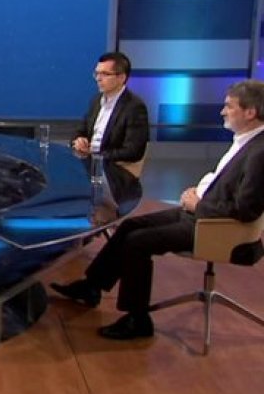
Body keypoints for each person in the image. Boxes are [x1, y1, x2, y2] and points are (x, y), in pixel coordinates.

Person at [51, 80, 264, 340]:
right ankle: (91, 287)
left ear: (250, 112)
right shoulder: (245, 142)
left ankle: (138, 319)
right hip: (201, 213)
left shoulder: (259, 152)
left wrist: (200, 204)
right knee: (129, 226)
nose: (222, 111)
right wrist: (199, 191)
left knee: (138, 243)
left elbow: (247, 208)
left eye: (229, 106)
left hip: (215, 227)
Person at [71, 51, 149, 163]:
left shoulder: (134, 107)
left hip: (112, 167)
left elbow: (134, 151)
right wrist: (78, 140)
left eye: (105, 74)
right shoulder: (96, 101)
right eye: (97, 73)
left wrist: (96, 156)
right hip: (88, 163)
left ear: (121, 78)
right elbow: (79, 131)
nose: (98, 78)